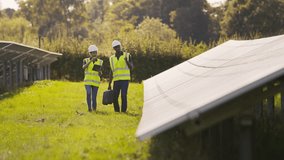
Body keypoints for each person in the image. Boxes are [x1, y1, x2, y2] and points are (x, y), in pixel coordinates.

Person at [108, 40, 134, 112]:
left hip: (125, 80)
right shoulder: (111, 58)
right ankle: (116, 111)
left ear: (120, 46)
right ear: (114, 48)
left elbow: (131, 67)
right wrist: (109, 83)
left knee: (123, 95)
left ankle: (123, 111)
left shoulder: (128, 55)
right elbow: (111, 71)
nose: (117, 48)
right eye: (115, 47)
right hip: (116, 80)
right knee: (115, 97)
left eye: (118, 47)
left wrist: (126, 61)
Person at [82, 44, 103, 112]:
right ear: (90, 53)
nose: (94, 54)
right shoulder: (85, 60)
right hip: (87, 81)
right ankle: (89, 108)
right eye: (93, 52)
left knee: (94, 97)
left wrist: (100, 72)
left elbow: (100, 73)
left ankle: (94, 109)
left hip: (96, 81)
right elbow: (83, 67)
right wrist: (91, 61)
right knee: (88, 93)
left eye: (95, 52)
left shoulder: (100, 61)